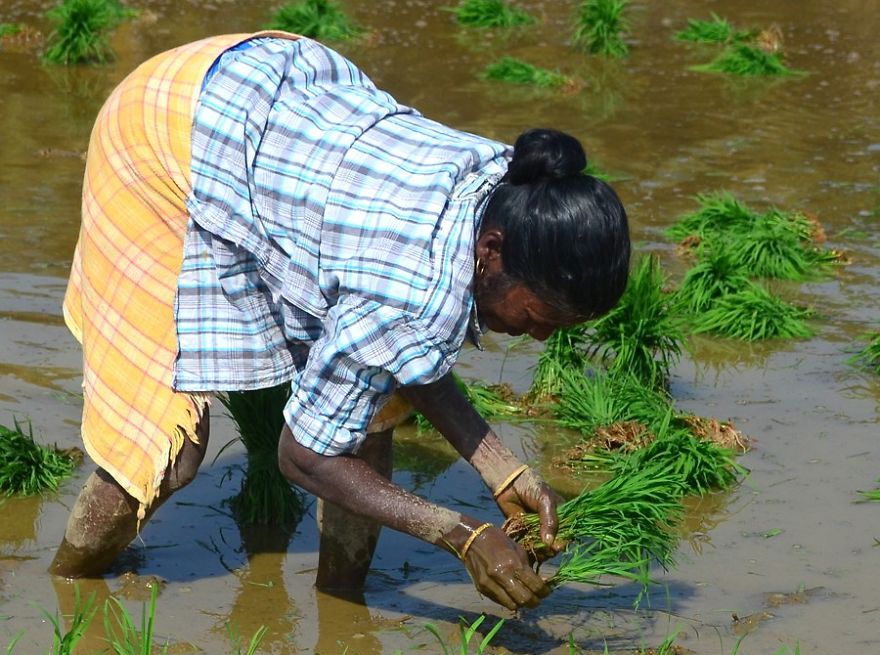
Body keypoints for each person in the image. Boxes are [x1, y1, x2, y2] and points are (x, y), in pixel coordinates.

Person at [51, 32, 631, 611]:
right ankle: (67, 586)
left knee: (370, 409)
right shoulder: (419, 278)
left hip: (274, 89)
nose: (541, 337)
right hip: (165, 134)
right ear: (493, 252)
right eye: (537, 316)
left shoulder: (517, 188)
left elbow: (401, 351)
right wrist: (465, 535)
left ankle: (340, 605)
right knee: (167, 450)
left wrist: (504, 471)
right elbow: (301, 456)